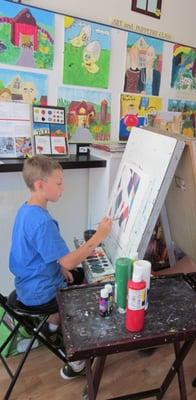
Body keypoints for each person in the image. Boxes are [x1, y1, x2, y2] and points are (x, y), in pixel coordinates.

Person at [9, 155, 112, 379]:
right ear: (40, 185)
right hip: (40, 292)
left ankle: (50, 328)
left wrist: (61, 267)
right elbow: (68, 261)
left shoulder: (26, 210)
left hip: (27, 284)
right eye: (59, 182)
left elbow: (49, 257)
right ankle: (75, 362)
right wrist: (100, 236)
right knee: (84, 289)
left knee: (72, 274)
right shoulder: (42, 222)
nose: (63, 187)